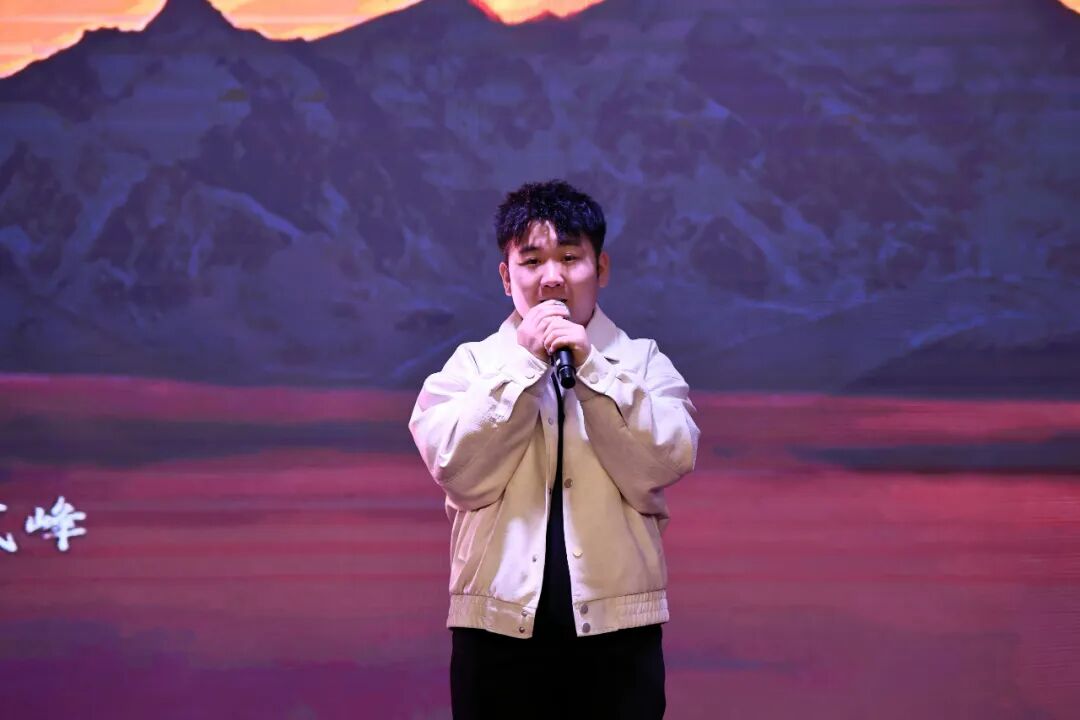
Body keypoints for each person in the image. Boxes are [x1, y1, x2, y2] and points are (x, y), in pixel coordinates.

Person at [408, 179, 700, 719]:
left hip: (618, 634)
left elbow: (668, 459)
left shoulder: (642, 362)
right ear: (506, 277)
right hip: (496, 635)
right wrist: (522, 366)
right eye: (532, 261)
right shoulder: (471, 366)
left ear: (600, 268)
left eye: (570, 257)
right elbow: (456, 471)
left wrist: (593, 368)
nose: (552, 278)